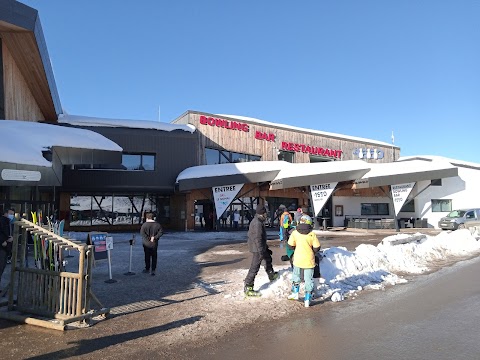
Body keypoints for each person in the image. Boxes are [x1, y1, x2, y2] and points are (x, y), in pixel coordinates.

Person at [244, 205, 279, 296]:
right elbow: (257, 238)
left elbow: (261, 238)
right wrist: (261, 251)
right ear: (262, 213)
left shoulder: (259, 221)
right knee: (255, 266)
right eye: (265, 213)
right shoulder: (257, 223)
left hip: (260, 246)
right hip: (257, 248)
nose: (266, 215)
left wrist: (265, 248)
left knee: (268, 258)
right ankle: (248, 286)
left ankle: (271, 274)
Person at [287, 214, 321, 307]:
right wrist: (312, 251)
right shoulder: (312, 234)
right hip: (309, 260)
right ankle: (307, 298)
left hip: (297, 259)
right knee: (308, 279)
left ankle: (295, 293)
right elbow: (317, 247)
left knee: (296, 276)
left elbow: (290, 245)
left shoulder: (295, 233)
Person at [0, 208, 14, 287]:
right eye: (10, 213)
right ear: (6, 213)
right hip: (2, 247)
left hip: (6, 248)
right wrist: (3, 241)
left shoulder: (9, 222)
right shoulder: (2, 221)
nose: (12, 216)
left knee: (2, 268)